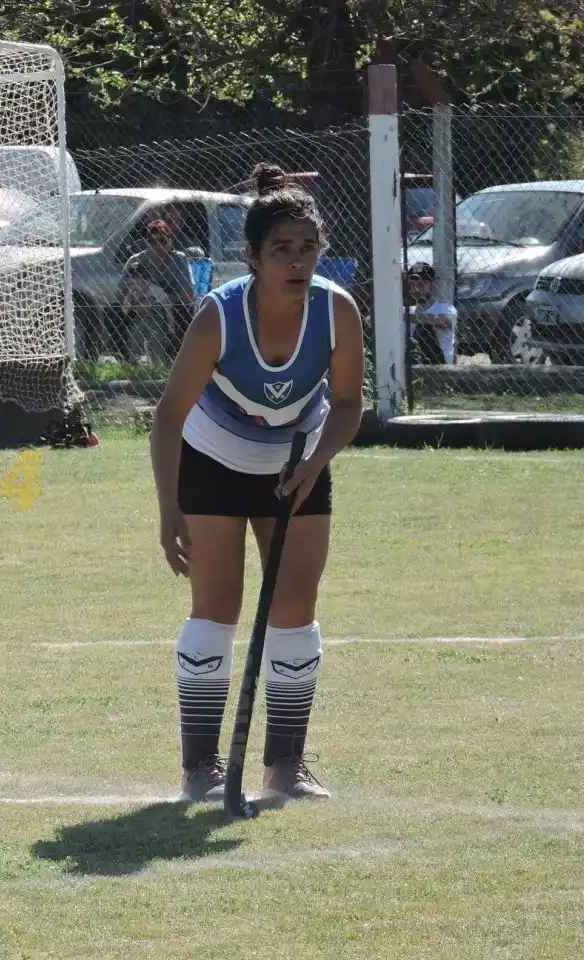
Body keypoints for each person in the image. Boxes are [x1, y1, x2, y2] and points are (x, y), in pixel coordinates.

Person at [150, 162, 366, 804]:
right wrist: (169, 510)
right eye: (282, 250)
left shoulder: (338, 311)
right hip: (213, 462)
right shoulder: (220, 316)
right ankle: (199, 768)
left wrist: (315, 461)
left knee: (294, 609)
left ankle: (285, 766)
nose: (297, 263)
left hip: (298, 465)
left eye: (308, 249)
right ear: (252, 257)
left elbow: (350, 403)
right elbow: (168, 416)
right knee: (217, 608)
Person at [120, 217, 196, 361]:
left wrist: (156, 303)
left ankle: (175, 357)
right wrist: (136, 304)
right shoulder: (136, 261)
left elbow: (188, 295)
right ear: (146, 243)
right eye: (152, 242)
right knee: (115, 312)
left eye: (162, 241)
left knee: (184, 311)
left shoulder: (179, 259)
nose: (158, 246)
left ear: (170, 241)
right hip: (139, 308)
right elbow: (121, 293)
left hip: (170, 309)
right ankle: (127, 359)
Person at [405, 262, 457, 365]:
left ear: (432, 284)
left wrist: (405, 317)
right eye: (412, 284)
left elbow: (444, 321)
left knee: (424, 329)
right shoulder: (408, 311)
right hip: (412, 366)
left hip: (440, 369)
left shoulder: (445, 308)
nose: (416, 289)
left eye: (421, 284)